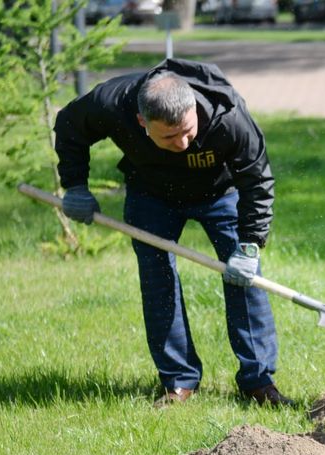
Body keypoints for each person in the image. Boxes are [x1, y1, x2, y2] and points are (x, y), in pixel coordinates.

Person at [53, 58, 293, 407]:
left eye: (188, 130)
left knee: (245, 277)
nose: (182, 143)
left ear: (193, 106)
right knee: (157, 278)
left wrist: (250, 244)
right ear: (141, 122)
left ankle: (258, 380)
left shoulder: (230, 117)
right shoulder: (113, 103)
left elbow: (257, 180)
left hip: (220, 193)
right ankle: (178, 381)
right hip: (151, 194)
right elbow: (70, 124)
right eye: (169, 136)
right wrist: (75, 186)